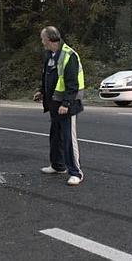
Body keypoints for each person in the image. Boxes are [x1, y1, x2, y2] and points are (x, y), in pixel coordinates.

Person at [33, 26, 85, 186]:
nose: (42, 42)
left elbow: (72, 84)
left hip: (67, 105)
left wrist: (66, 104)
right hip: (54, 104)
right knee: (55, 136)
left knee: (69, 139)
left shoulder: (69, 55)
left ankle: (76, 172)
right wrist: (42, 91)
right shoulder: (49, 54)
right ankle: (57, 165)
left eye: (43, 39)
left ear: (49, 40)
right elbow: (48, 76)